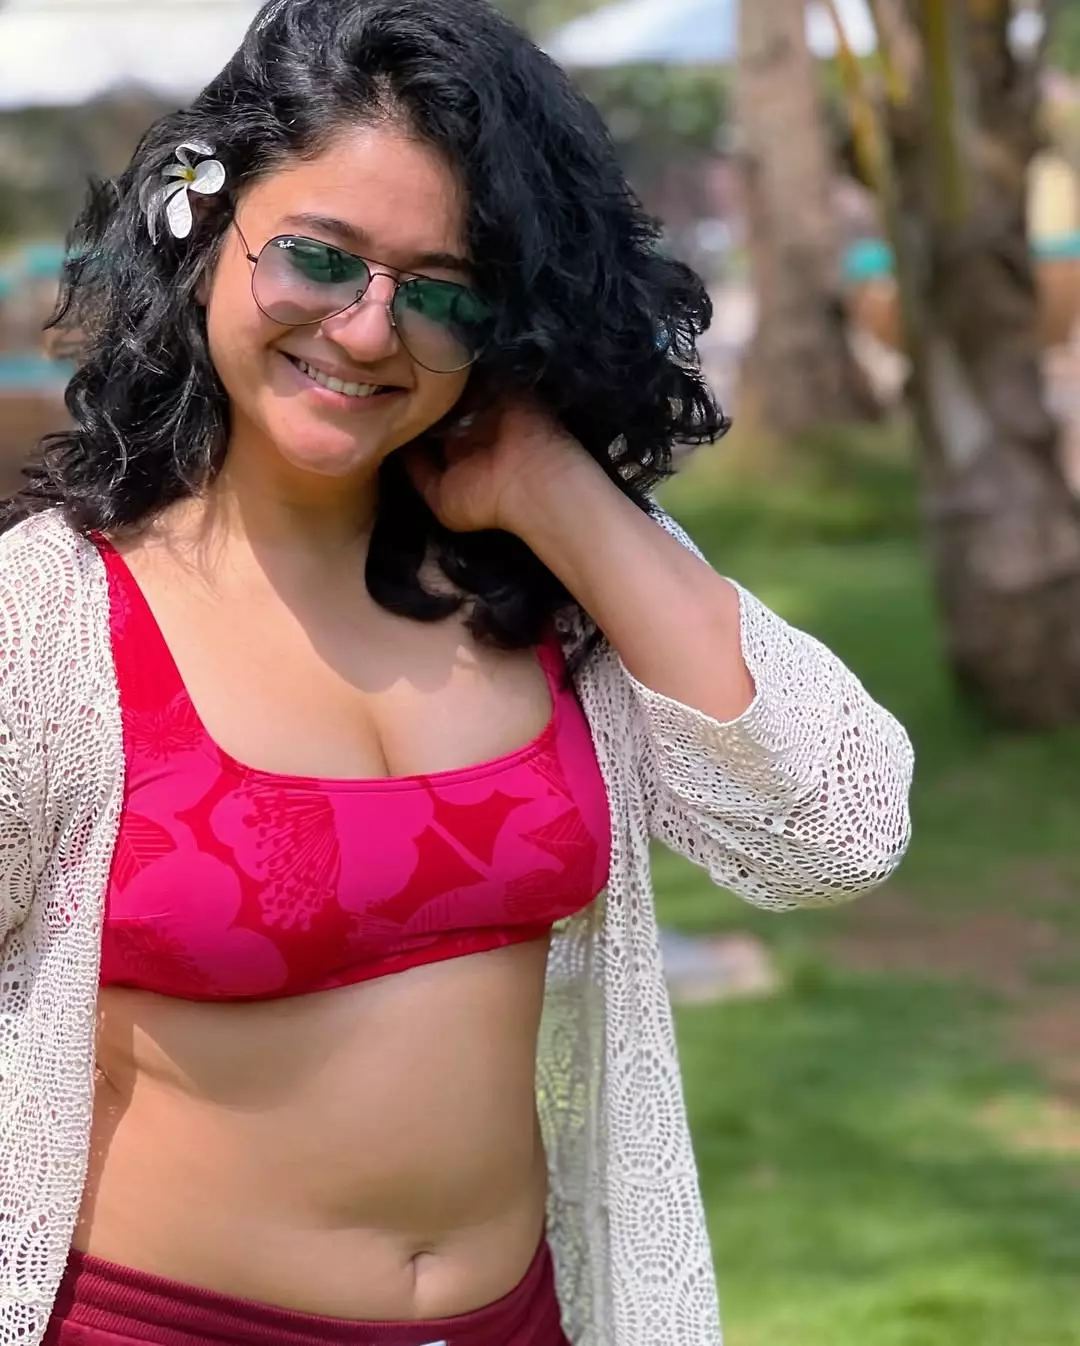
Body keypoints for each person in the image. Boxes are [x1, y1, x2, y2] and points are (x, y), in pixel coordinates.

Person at [0, 1, 914, 1343]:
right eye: (321, 258)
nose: (371, 330)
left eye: (442, 289)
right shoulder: (48, 619)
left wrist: (559, 491)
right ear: (203, 238)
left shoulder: (549, 581)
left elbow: (838, 831)